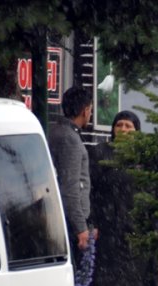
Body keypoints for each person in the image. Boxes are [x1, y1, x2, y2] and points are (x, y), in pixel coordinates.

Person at [88, 111, 158, 286]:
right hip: (109, 233)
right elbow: (92, 192)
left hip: (137, 234)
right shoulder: (100, 154)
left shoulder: (145, 159)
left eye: (128, 126)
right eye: (119, 125)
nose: (123, 130)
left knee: (136, 285)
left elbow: (153, 193)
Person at [48, 86, 94, 260]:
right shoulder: (70, 139)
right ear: (85, 110)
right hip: (69, 223)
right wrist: (80, 227)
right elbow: (70, 188)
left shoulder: (55, 130)